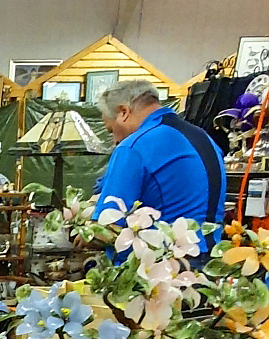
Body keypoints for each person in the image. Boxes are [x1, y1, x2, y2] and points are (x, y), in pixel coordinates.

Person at [93, 81, 226, 251]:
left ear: (124, 112)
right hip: (211, 255)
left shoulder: (134, 146)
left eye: (111, 131)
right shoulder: (205, 138)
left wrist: (82, 231)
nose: (115, 141)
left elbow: (106, 229)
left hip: (164, 261)